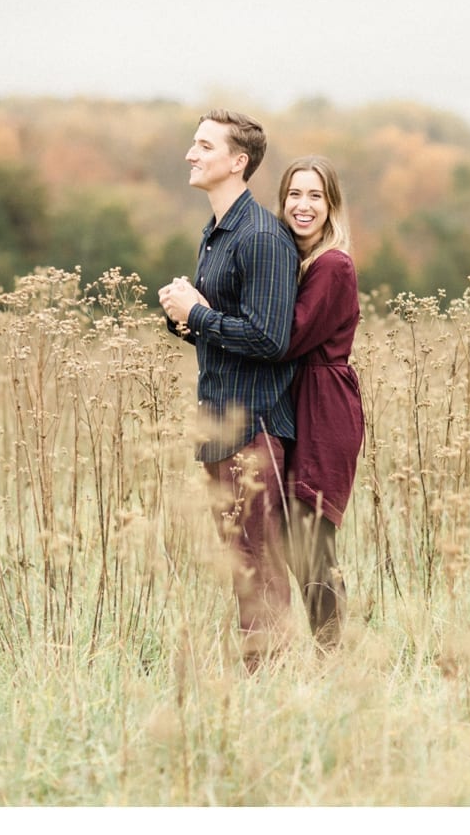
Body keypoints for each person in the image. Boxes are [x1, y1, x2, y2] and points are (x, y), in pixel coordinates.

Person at [160, 109, 299, 670]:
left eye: (204, 146)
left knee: (259, 562)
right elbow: (227, 332)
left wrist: (198, 314)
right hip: (218, 427)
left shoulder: (262, 236)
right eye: (194, 144)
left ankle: (276, 684)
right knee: (238, 563)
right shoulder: (216, 235)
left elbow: (270, 338)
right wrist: (184, 318)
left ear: (238, 162)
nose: (191, 154)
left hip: (255, 428)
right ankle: (258, 681)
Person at [273, 155, 365, 650]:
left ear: (331, 206)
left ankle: (334, 656)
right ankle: (331, 649)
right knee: (300, 540)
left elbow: (284, 338)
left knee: (312, 541)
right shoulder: (297, 260)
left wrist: (202, 318)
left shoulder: (332, 265)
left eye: (314, 196)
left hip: (324, 409)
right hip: (303, 403)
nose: (303, 206)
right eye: (294, 194)